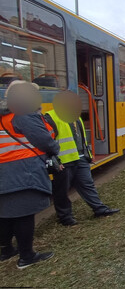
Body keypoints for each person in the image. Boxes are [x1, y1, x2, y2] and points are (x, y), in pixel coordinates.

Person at [0, 81, 58, 269]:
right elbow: (44, 141)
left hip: (4, 173)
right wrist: (54, 149)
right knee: (24, 214)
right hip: (22, 171)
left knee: (6, 213)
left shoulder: (4, 115)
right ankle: (27, 256)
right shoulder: (23, 114)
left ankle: (6, 249)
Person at [45, 91, 119, 226]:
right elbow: (47, 141)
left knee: (87, 185)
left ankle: (99, 209)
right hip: (64, 161)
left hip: (80, 158)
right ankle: (65, 217)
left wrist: (87, 155)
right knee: (61, 190)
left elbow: (81, 138)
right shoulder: (50, 117)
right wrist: (55, 160)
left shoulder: (76, 116)